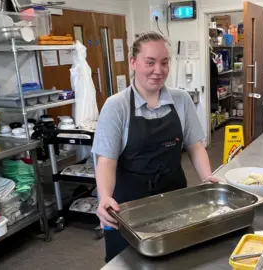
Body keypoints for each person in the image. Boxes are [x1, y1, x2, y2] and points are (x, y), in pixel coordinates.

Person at [91, 32, 219, 263]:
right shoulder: (116, 106)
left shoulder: (181, 100)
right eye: (150, 62)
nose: (158, 70)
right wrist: (105, 197)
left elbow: (195, 145)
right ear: (133, 62)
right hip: (128, 206)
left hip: (174, 196)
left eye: (164, 62)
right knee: (128, 261)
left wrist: (207, 178)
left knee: (175, 258)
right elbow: (106, 161)